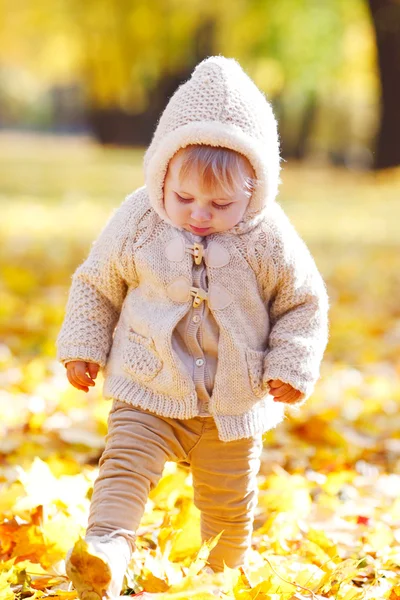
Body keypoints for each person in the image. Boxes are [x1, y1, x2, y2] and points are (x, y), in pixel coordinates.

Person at [56, 55, 329, 599]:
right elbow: (97, 284)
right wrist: (83, 346)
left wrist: (290, 365)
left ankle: (219, 579)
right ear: (162, 176)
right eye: (184, 198)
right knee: (124, 470)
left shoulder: (268, 237)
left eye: (221, 203)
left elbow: (303, 301)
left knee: (228, 506)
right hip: (148, 385)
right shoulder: (139, 220)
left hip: (231, 401)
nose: (199, 214)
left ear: (256, 188)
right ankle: (106, 552)